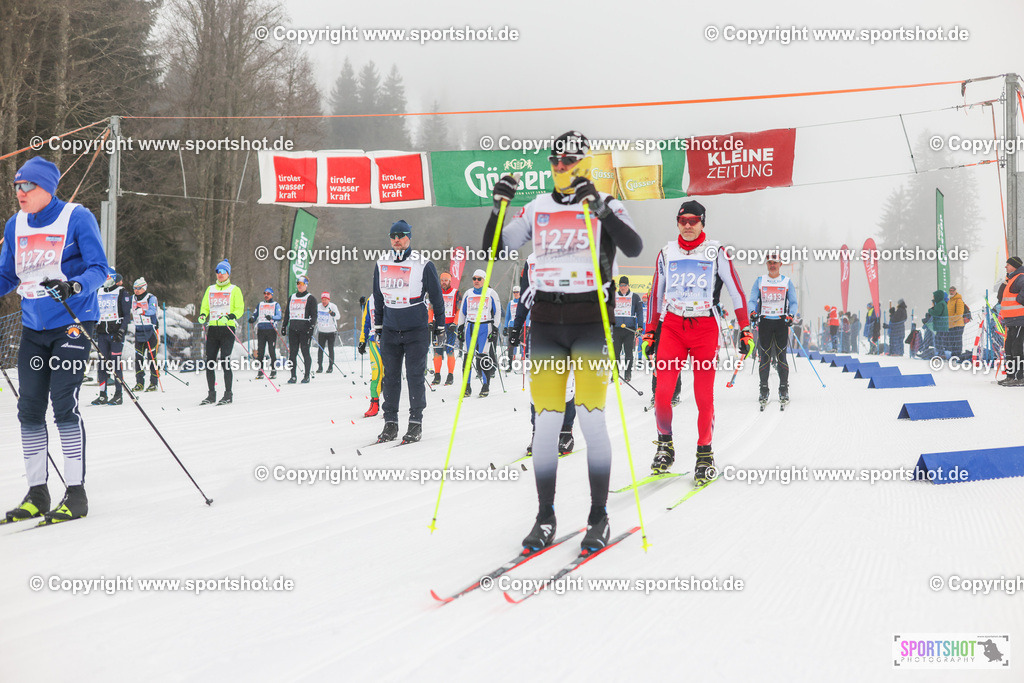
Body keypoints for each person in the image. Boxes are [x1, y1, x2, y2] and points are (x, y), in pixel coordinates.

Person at [484, 130, 643, 552]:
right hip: (547, 325)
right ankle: (545, 516)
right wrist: (497, 208)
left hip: (591, 321)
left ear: (584, 163)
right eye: (555, 160)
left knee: (591, 419)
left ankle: (598, 516)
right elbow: (496, 248)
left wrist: (602, 210)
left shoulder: (604, 201)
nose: (560, 166)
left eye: (569, 160)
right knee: (546, 426)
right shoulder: (539, 206)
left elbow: (634, 244)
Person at [0, 156, 108, 524]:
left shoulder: (77, 217)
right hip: (33, 327)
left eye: (27, 185)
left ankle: (76, 494)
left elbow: (100, 269)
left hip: (73, 324)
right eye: (16, 186)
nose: (20, 192)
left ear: (47, 188)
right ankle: (37, 493)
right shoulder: (15, 224)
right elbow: (7, 276)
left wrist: (74, 285)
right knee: (29, 409)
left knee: (64, 403)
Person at [645, 200, 752, 481]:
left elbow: (736, 291)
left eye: (694, 220)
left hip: (705, 327)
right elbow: (656, 294)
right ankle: (664, 445)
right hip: (672, 327)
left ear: (703, 222)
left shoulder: (716, 252)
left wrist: (745, 329)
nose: (688, 226)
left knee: (704, 397)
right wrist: (650, 331)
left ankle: (705, 453)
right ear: (677, 223)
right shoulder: (666, 253)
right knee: (663, 393)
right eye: (683, 221)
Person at [373, 220, 446, 443]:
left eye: (401, 235)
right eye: (393, 235)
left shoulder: (424, 264)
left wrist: (440, 326)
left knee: (415, 376)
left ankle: (415, 423)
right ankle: (390, 423)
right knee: (391, 377)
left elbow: (436, 297)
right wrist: (378, 326)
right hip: (391, 330)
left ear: (409, 237)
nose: (396, 239)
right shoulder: (381, 262)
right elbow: (378, 297)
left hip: (416, 329)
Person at [748, 252, 798, 407]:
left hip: (781, 322)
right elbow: (751, 300)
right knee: (764, 357)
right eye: (770, 262)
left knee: (782, 356)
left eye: (775, 262)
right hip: (765, 322)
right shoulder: (760, 281)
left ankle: (783, 389)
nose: (772, 265)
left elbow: (794, 302)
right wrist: (752, 312)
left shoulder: (787, 282)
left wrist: (791, 315)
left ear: (780, 264)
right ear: (767, 264)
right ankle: (764, 389)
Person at [197, 259, 244, 404]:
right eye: (218, 271)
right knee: (210, 361)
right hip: (213, 328)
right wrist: (203, 315)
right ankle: (211, 395)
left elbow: (239, 308)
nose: (220, 274)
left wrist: (231, 316)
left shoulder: (234, 289)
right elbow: (205, 306)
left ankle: (228, 394)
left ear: (228, 273)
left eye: (223, 272)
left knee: (225, 360)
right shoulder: (210, 289)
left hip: (227, 329)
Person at [457, 269, 501, 398]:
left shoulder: (491, 293)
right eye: (474, 278)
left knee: (483, 357)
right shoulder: (468, 293)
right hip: (470, 326)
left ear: (484, 280)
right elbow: (462, 312)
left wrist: (495, 329)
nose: (476, 281)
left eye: (479, 279)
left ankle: (485, 385)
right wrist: (460, 328)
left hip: (485, 327)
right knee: (467, 357)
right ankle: (467, 386)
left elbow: (497, 312)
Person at [93, 268, 131, 405]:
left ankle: (118, 394)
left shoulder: (122, 292)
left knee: (115, 363)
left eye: (108, 277)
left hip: (116, 334)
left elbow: (127, 315)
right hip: (102, 333)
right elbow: (95, 311)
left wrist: (121, 331)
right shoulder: (99, 291)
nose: (105, 280)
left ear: (113, 278)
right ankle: (103, 394)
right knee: (102, 364)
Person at [282, 275, 316, 383]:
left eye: (301, 284)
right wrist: (284, 325)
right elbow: (287, 313)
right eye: (298, 284)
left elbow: (314, 315)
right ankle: (293, 376)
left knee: (305, 351)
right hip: (293, 328)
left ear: (306, 285)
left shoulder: (310, 298)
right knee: (292, 353)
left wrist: (311, 327)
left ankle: (306, 375)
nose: (299, 286)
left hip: (304, 329)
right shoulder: (292, 297)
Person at [997, 256, 1024, 386]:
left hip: (1020, 319)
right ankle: (1011, 376)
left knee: (1017, 348)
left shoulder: (1020, 277)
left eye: (1007, 264)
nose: (1005, 267)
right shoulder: (1012, 278)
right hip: (1011, 320)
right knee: (1009, 348)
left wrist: (1020, 299)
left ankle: (1020, 377)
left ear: (1014, 266)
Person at [130, 277, 160, 391]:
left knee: (151, 358)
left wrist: (142, 311)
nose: (136, 290)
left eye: (138, 288)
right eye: (134, 288)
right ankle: (139, 383)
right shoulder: (132, 298)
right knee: (138, 358)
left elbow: (152, 311)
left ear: (144, 288)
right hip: (139, 331)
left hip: (150, 330)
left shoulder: (151, 298)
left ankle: (154, 382)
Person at [431, 272, 461, 385]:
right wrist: (430, 322)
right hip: (438, 324)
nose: (444, 282)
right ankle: (437, 375)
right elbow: (430, 308)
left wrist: (455, 322)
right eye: (442, 280)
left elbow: (458, 309)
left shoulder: (456, 293)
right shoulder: (435, 293)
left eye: (446, 280)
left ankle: (450, 375)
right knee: (437, 351)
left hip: (450, 325)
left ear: (450, 281)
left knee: (450, 350)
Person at [612, 276, 643, 382]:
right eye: (621, 285)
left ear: (628, 286)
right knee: (615, 352)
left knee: (628, 353)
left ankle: (628, 373)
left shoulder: (634, 297)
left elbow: (639, 312)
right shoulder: (614, 296)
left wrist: (640, 327)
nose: (622, 287)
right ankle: (615, 374)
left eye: (624, 285)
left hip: (629, 329)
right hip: (616, 329)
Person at [358, 294, 384, 416]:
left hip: (391, 340)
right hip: (374, 340)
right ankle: (374, 403)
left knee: (390, 374)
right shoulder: (371, 299)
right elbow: (366, 321)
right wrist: (362, 340)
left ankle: (389, 405)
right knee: (376, 373)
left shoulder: (393, 294)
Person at [248, 287, 281, 379]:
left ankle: (273, 370)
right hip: (261, 330)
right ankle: (260, 370)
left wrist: (272, 317)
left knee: (271, 350)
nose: (266, 295)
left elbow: (279, 316)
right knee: (260, 351)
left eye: (268, 294)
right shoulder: (260, 304)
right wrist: (252, 319)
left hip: (271, 330)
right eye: (265, 293)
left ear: (272, 295)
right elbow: (255, 315)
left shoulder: (275, 304)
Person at [316, 291, 340, 373]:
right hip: (321, 331)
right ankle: (320, 366)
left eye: (326, 299)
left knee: (330, 348)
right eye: (323, 299)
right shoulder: (318, 306)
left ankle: (330, 366)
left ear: (329, 300)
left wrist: (333, 314)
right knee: (320, 349)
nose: (324, 301)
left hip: (331, 331)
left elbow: (338, 316)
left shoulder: (333, 306)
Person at [503, 285, 523, 367]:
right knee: (511, 345)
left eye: (517, 292)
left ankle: (524, 363)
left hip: (521, 326)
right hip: (512, 326)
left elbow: (528, 314)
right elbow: (507, 316)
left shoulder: (523, 302)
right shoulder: (510, 303)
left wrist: (528, 325)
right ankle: (510, 364)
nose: (515, 294)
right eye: (514, 292)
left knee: (523, 344)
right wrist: (505, 327)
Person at [924, 291, 948, 358]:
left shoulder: (940, 304)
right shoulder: (942, 303)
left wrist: (930, 310)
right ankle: (940, 353)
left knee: (939, 339)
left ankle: (941, 353)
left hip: (941, 325)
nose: (933, 298)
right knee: (939, 339)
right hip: (942, 325)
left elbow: (936, 312)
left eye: (934, 296)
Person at [947, 286, 965, 356]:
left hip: (958, 325)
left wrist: (951, 319)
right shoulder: (950, 301)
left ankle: (957, 355)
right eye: (950, 290)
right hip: (951, 325)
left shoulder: (959, 300)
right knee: (952, 341)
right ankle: (954, 355)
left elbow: (959, 314)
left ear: (955, 291)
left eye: (953, 290)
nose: (951, 292)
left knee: (957, 341)